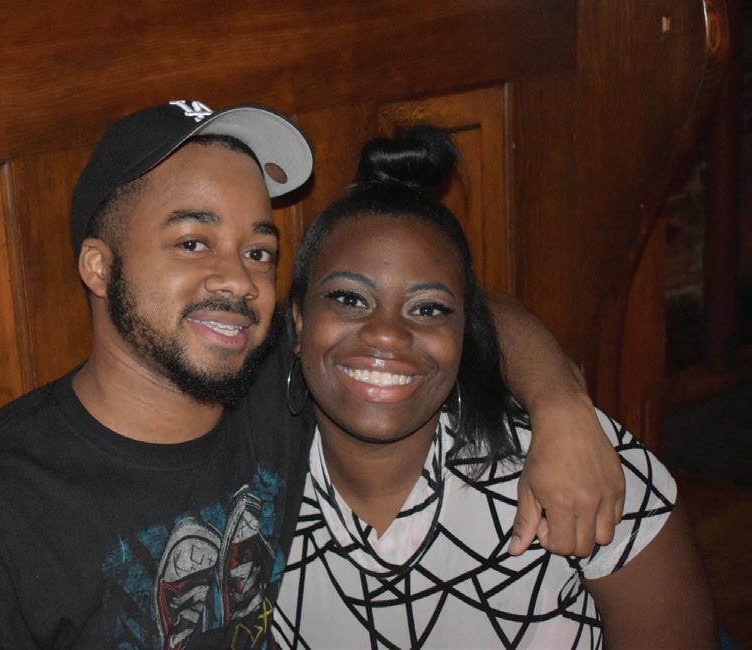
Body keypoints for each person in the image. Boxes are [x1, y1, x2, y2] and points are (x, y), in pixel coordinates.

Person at [0, 101, 621, 649]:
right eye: (192, 242)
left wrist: (560, 405)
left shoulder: (283, 388)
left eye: (259, 251)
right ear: (100, 268)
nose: (238, 280)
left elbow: (446, 310)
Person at [273, 125, 716, 649]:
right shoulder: (251, 482)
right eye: (349, 299)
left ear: (465, 335)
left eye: (428, 309)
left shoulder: (570, 467)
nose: (387, 333)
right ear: (298, 320)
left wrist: (559, 401)